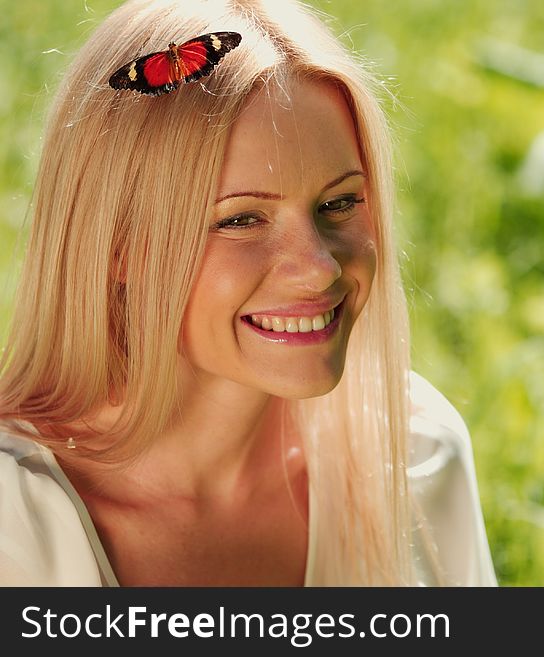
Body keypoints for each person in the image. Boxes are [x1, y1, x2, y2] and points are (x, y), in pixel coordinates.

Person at [0, 0, 496, 587]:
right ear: (117, 245)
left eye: (339, 203)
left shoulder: (413, 454)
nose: (317, 269)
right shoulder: (15, 519)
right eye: (240, 220)